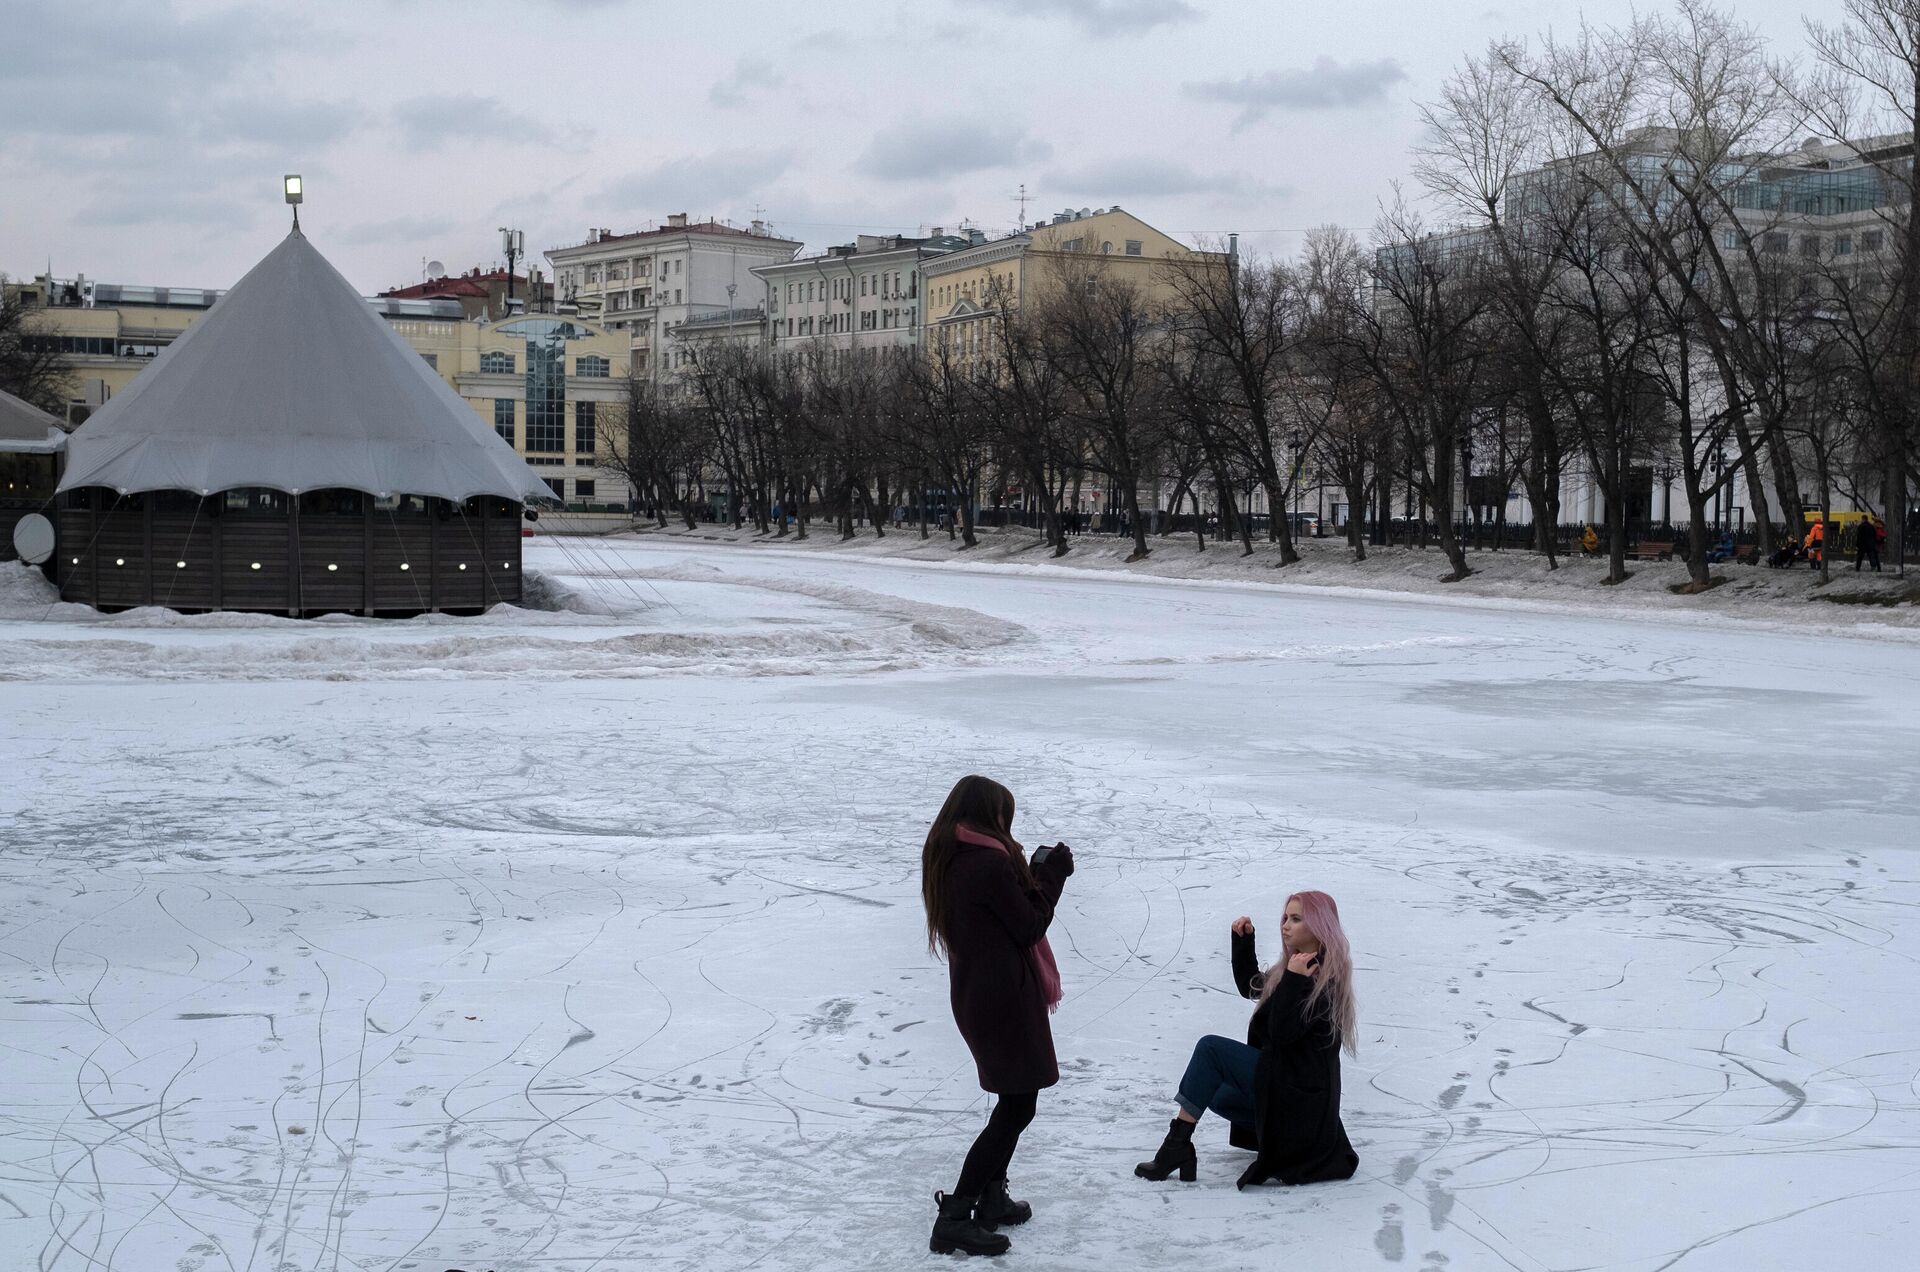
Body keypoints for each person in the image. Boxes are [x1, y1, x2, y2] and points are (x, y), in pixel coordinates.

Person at [922, 776, 1075, 1257]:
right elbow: (1029, 924)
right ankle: (957, 1213)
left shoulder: (953, 858)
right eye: (1005, 817)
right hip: (1002, 1000)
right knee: (1017, 1106)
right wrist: (1051, 877)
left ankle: (991, 1197)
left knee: (1015, 1099)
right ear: (991, 816)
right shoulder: (986, 863)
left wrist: (1030, 873)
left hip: (979, 995)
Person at [1134, 892, 1359, 1191]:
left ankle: (1176, 1145)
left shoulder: (1322, 981)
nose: (1285, 926)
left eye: (1296, 919)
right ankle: (1273, 1140)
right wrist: (1244, 941)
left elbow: (1281, 1033)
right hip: (1289, 1090)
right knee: (1212, 1090)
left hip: (1302, 1101)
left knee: (1210, 1049)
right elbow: (1251, 987)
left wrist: (1294, 981)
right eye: (1285, 917)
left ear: (1318, 926)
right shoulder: (1297, 967)